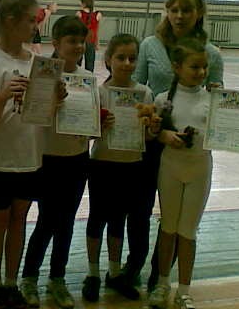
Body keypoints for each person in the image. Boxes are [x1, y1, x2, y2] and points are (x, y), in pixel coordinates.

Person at [147, 38, 239, 309]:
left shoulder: (214, 101)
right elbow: (152, 132)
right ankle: (162, 285)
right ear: (177, 67)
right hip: (170, 169)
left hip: (199, 170)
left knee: (188, 232)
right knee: (168, 228)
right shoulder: (163, 99)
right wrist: (163, 135)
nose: (201, 72)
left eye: (204, 67)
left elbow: (233, 128)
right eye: (194, 67)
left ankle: (184, 291)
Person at [129, 0, 224, 291]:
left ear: (199, 13)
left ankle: (160, 278)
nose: (179, 16)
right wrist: (154, 126)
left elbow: (220, 104)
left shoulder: (211, 54)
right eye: (174, 10)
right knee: (141, 209)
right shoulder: (150, 45)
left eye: (187, 10)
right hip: (152, 141)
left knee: (176, 221)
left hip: (188, 149)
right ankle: (133, 266)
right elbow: (137, 91)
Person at [19, 16, 89, 309]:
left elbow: (89, 123)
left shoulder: (87, 79)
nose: (78, 46)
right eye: (72, 41)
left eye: (82, 41)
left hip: (78, 159)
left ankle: (57, 279)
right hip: (48, 158)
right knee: (47, 221)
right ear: (56, 43)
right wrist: (53, 101)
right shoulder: (42, 74)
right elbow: (32, 116)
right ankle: (29, 277)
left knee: (67, 223)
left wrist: (98, 124)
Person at [0, 0, 40, 309]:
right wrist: (3, 95)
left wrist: (56, 97)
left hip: (30, 156)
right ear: (11, 21)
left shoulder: (36, 63)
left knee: (19, 221)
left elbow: (45, 111)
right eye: (31, 20)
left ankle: (12, 282)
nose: (36, 26)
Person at [81, 34, 155, 303]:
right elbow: (86, 133)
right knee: (97, 218)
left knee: (118, 221)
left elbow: (148, 136)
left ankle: (114, 273)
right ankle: (92, 273)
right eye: (121, 57)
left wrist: (151, 128)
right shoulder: (99, 93)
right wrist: (99, 127)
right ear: (108, 59)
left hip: (132, 165)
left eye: (132, 58)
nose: (126, 63)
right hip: (102, 164)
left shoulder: (145, 93)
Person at [76, 0, 102, 72]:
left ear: (84, 3)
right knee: (90, 64)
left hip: (80, 40)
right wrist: (97, 42)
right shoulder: (98, 14)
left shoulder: (79, 13)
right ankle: (89, 78)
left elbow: (76, 29)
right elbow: (97, 30)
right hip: (91, 40)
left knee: (77, 63)